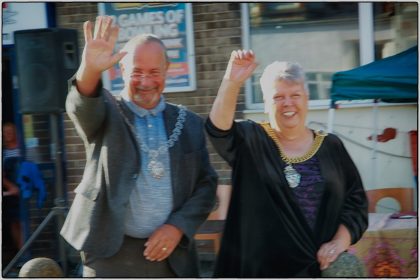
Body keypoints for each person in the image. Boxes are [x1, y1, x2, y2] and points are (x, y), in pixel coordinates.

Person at [60, 16, 218, 277]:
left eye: (154, 72)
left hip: (171, 254)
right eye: (136, 72)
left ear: (167, 70)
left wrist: (177, 227)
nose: (145, 82)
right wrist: (89, 70)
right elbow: (81, 107)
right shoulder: (107, 112)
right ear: (122, 71)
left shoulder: (189, 123)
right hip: (110, 255)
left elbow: (207, 186)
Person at [205, 50, 368, 277]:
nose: (287, 104)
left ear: (307, 99)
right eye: (278, 97)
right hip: (261, 271)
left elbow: (356, 203)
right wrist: (232, 82)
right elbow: (218, 129)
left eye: (295, 95)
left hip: (317, 269)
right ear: (265, 104)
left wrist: (339, 243)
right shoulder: (251, 140)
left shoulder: (331, 146)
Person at [2, 123, 23, 266]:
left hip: (24, 192)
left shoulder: (22, 149)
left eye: (10, 131)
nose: (8, 134)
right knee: (14, 223)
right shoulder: (3, 153)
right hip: (11, 193)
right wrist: (12, 187)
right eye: (5, 132)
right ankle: (21, 253)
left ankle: (26, 252)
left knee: (23, 222)